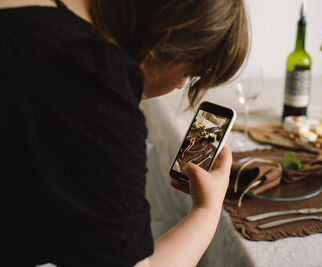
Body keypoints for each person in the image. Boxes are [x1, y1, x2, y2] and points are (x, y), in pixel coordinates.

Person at [0, 0, 249, 266]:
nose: (180, 85)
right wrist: (207, 210)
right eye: (190, 73)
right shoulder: (93, 85)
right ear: (169, 41)